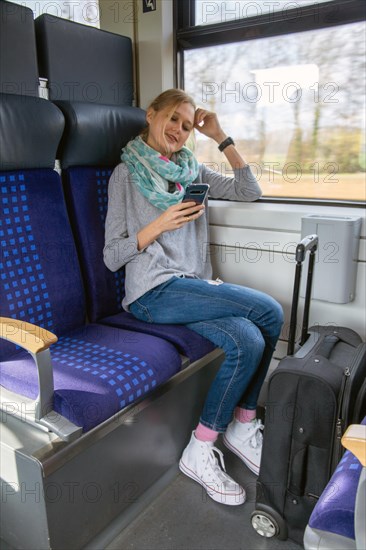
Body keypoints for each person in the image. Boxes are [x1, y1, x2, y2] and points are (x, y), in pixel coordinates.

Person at [103, 89, 284, 506]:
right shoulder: (125, 176)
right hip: (152, 292)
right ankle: (242, 422)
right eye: (172, 120)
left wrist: (221, 136)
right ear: (151, 115)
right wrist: (158, 225)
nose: (179, 131)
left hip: (192, 287)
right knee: (270, 311)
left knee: (249, 339)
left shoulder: (192, 172)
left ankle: (205, 444)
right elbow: (112, 256)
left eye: (187, 126)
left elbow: (248, 190)